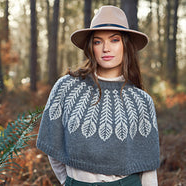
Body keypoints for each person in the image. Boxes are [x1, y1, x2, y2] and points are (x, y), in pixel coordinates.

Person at [36, 5, 160, 186]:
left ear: (126, 45)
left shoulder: (141, 100)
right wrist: (69, 182)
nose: (106, 48)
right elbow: (52, 146)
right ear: (90, 47)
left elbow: (147, 166)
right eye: (98, 41)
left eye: (114, 40)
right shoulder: (66, 87)